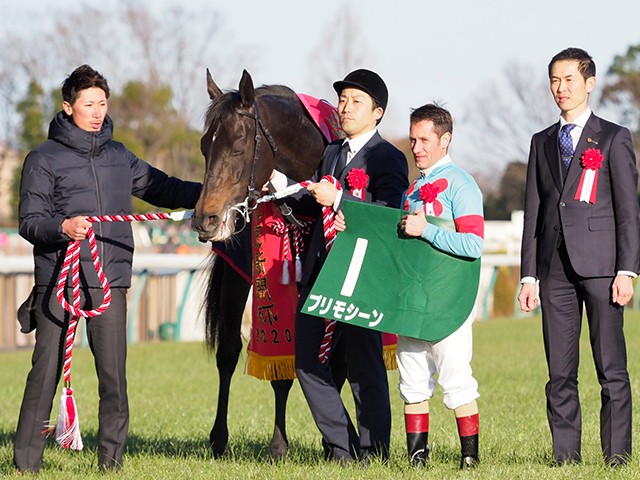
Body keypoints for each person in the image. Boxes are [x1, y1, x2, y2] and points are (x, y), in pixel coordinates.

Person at [14, 64, 202, 473]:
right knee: (44, 373)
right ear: (68, 107)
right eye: (88, 104)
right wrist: (61, 227)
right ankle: (26, 464)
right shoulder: (42, 158)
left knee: (113, 378)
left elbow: (163, 187)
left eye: (102, 103)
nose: (97, 112)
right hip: (58, 279)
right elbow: (28, 221)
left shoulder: (120, 156)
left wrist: (213, 194)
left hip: (109, 278)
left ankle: (111, 464)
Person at [275, 69, 408, 462]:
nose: (345, 108)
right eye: (343, 100)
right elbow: (314, 201)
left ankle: (374, 452)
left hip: (362, 276)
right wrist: (276, 188)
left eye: (356, 102)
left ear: (378, 112)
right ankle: (341, 446)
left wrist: (339, 200)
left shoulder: (388, 157)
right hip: (321, 273)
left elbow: (388, 214)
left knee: (365, 367)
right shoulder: (332, 152)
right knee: (307, 363)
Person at [518, 48, 640, 466]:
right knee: (559, 374)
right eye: (554, 80)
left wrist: (627, 270)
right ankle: (565, 458)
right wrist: (528, 276)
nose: (560, 88)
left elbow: (628, 210)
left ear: (589, 83)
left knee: (612, 370)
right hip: (553, 274)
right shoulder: (541, 142)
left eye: (569, 79)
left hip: (604, 270)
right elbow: (533, 213)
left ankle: (618, 458)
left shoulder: (613, 137)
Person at [394, 104, 483, 469]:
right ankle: (417, 462)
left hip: (449, 301)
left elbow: (474, 244)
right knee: (411, 381)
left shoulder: (462, 184)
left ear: (445, 140)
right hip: (412, 302)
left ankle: (470, 461)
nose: (416, 147)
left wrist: (426, 229)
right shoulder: (411, 190)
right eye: (413, 139)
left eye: (425, 140)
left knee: (457, 379)